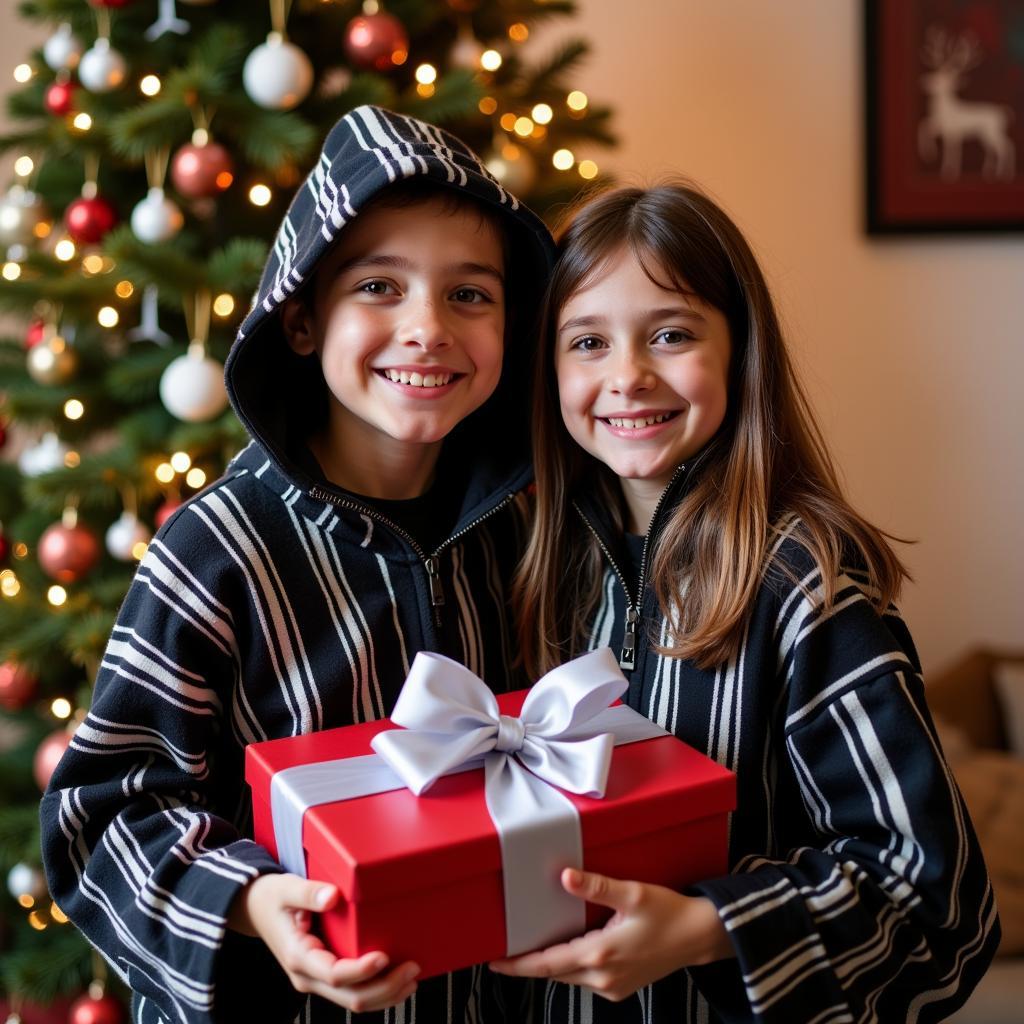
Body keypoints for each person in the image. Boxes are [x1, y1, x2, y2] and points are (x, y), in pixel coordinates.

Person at [40, 105, 554, 1024]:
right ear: (306, 321)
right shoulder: (217, 552)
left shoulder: (520, 539)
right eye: (380, 289)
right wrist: (248, 900)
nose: (428, 327)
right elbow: (100, 818)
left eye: (470, 294)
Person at [498, 182, 999, 1022]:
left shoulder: (806, 584)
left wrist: (707, 929)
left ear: (739, 350)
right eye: (587, 341)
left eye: (670, 334)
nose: (627, 375)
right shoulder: (537, 561)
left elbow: (937, 906)